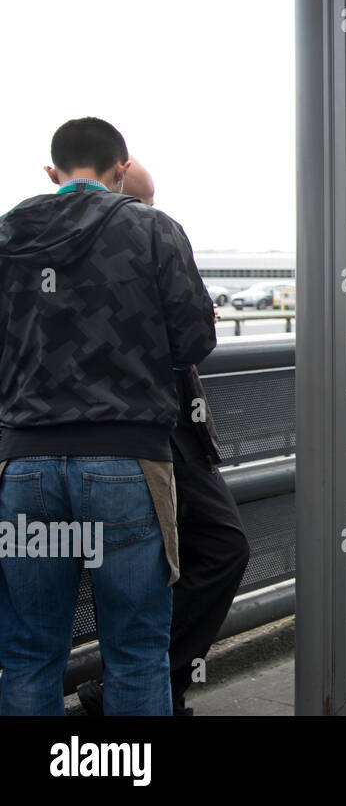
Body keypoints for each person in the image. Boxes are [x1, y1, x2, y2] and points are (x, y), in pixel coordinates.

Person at [0, 118, 215, 715]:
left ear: (53, 172)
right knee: (136, 650)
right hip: (125, 464)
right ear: (121, 170)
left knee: (27, 650)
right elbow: (194, 339)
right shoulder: (152, 230)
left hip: (25, 468)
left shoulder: (8, 232)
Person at [75, 156, 250, 717]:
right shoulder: (124, 248)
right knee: (199, 555)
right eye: (140, 199)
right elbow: (194, 337)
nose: (146, 213)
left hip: (166, 432)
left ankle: (149, 689)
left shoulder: (136, 243)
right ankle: (143, 692)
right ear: (116, 180)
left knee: (192, 559)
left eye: (150, 204)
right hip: (148, 437)